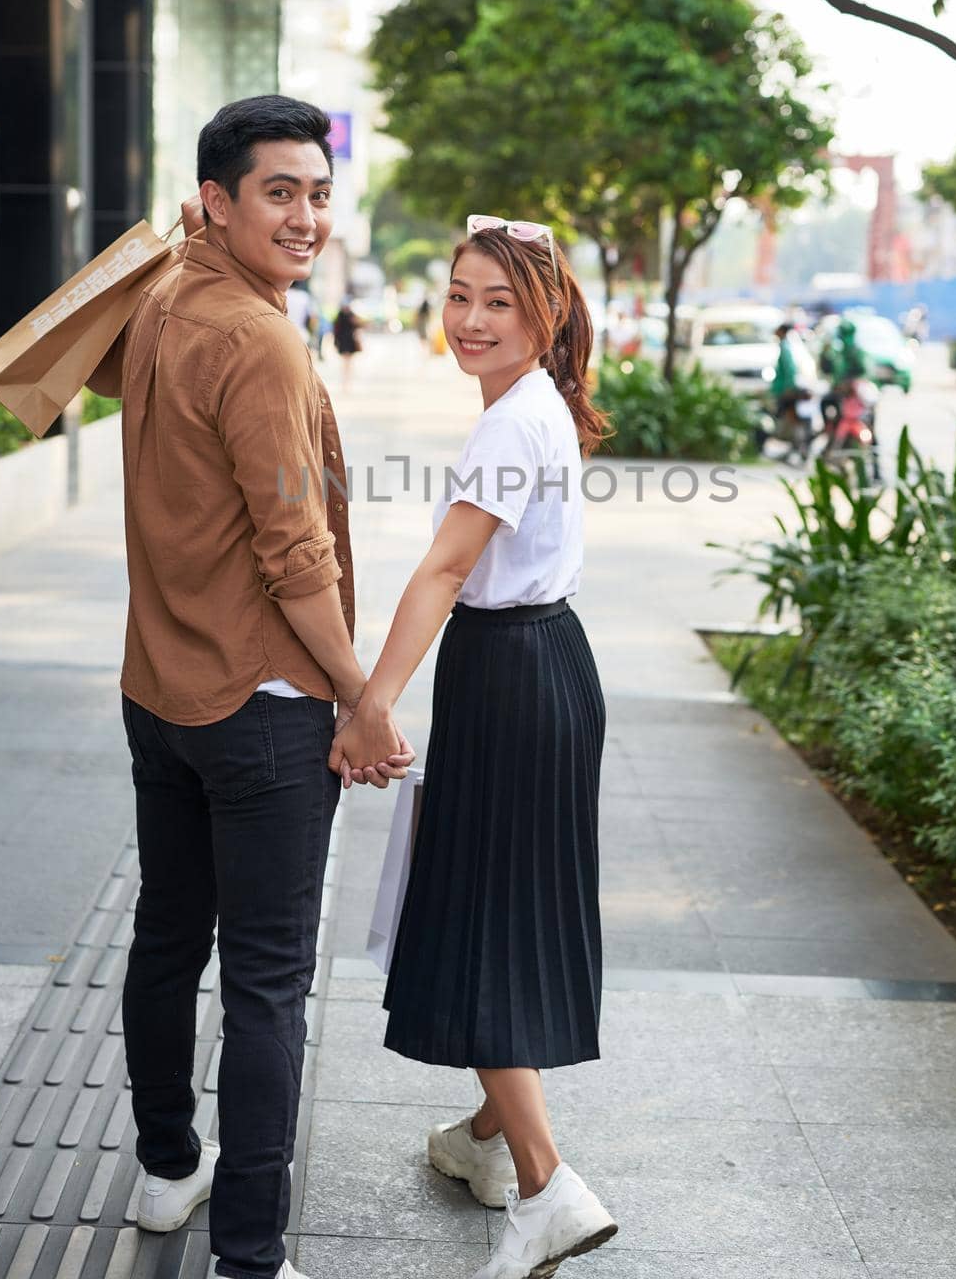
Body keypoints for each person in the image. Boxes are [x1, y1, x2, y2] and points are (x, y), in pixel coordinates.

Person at [87, 95, 413, 1279]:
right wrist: (364, 695)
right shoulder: (260, 338)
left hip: (157, 688)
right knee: (269, 986)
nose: (308, 216)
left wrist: (192, 233)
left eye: (318, 193)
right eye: (279, 190)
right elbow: (297, 554)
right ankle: (251, 1255)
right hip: (264, 710)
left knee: (169, 938)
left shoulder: (167, 296)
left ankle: (170, 1168)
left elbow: (65, 358)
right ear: (219, 200)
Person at [334, 214, 619, 1279]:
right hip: (543, 665)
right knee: (508, 909)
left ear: (545, 313)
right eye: (460, 295)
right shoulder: (532, 404)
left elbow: (444, 574)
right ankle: (484, 1141)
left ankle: (546, 1185)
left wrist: (371, 705)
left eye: (498, 301)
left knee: (475, 919)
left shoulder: (512, 422)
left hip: (510, 674)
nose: (470, 319)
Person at [331, 296, 363, 390]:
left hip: (347, 342)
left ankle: (346, 381)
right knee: (347, 363)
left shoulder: (344, 315)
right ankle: (346, 381)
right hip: (346, 341)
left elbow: (336, 331)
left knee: (347, 362)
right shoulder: (346, 315)